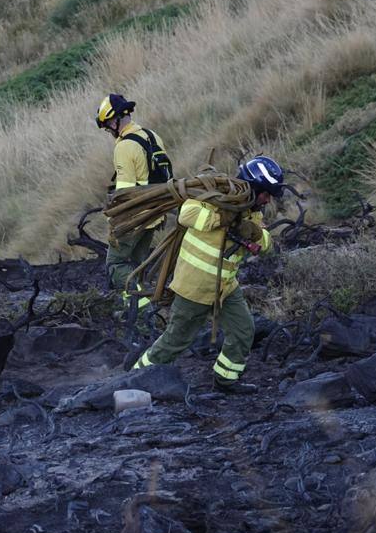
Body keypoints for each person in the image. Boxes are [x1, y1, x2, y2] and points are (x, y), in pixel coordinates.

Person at [131, 156, 285, 393]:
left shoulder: (252, 214)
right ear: (254, 187)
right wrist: (222, 219)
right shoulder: (217, 197)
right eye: (266, 194)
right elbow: (186, 214)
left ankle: (225, 381)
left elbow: (267, 245)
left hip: (225, 288)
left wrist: (255, 234)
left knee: (243, 331)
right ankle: (135, 380)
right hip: (195, 287)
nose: (268, 200)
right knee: (175, 342)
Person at [95, 94, 173, 307]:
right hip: (156, 214)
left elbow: (125, 193)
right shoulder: (153, 136)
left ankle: (141, 307)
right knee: (137, 266)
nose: (109, 131)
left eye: (107, 127)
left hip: (135, 218)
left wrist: (116, 223)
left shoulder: (124, 147)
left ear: (114, 120)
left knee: (116, 265)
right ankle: (134, 310)